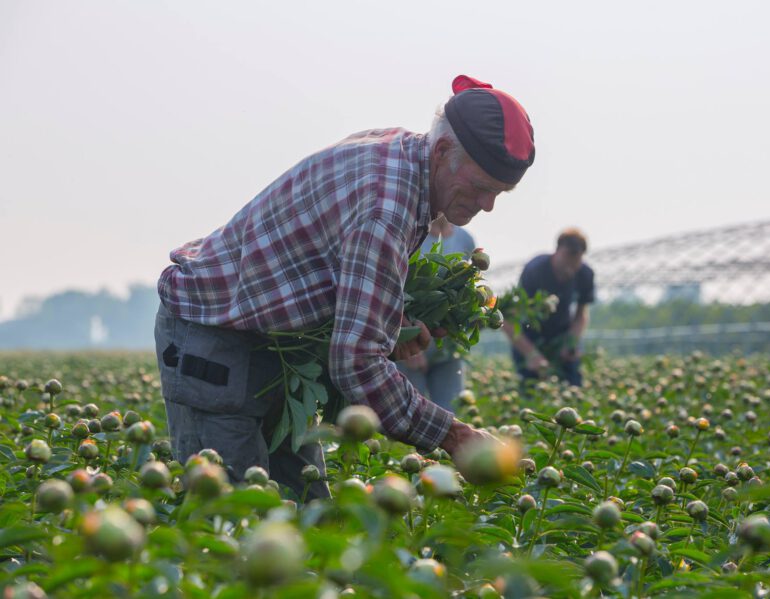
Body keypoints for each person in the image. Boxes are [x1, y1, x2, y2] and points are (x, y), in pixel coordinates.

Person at [154, 74, 535, 501]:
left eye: (499, 193)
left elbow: (339, 274)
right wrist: (454, 435)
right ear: (443, 151)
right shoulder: (386, 209)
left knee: (307, 510)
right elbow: (355, 362)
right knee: (233, 518)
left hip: (274, 346)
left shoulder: (403, 153)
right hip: (213, 339)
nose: (487, 205)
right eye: (482, 187)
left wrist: (394, 324)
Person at [397, 215, 475, 413]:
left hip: (448, 348)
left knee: (452, 412)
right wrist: (404, 339)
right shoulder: (412, 234)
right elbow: (394, 289)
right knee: (409, 416)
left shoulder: (465, 239)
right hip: (411, 343)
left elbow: (466, 290)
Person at [503, 229, 594, 387]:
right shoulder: (535, 270)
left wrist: (571, 343)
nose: (570, 269)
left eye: (575, 263)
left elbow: (581, 314)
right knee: (530, 389)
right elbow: (509, 317)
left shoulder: (585, 274)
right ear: (557, 251)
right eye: (567, 260)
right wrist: (531, 354)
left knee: (572, 385)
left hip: (561, 336)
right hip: (530, 336)